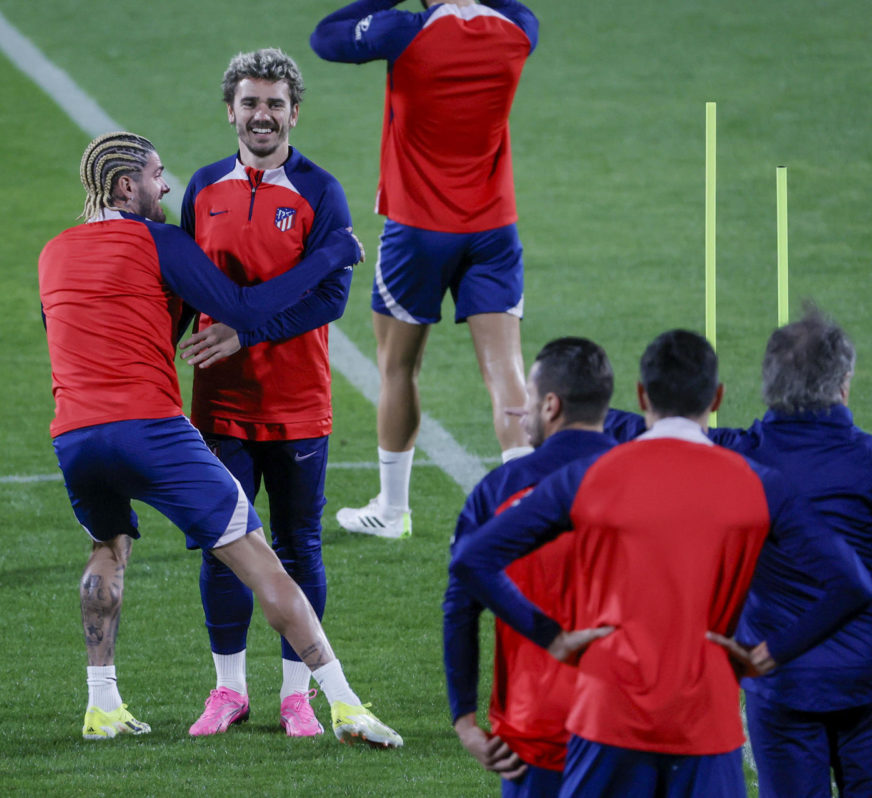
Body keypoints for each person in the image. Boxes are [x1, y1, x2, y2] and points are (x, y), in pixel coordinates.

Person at [39, 131, 401, 748]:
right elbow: (240, 305)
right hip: (153, 431)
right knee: (264, 561)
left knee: (107, 549)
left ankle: (102, 706)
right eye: (157, 176)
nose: (167, 187)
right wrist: (329, 255)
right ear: (128, 186)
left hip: (75, 437)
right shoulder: (160, 240)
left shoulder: (53, 253)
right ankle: (344, 704)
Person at [451, 329, 872, 798]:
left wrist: (552, 636)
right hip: (707, 715)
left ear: (641, 394)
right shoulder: (759, 482)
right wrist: (766, 654)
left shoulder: (594, 474)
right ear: (716, 397)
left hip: (609, 707)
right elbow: (853, 583)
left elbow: (473, 559)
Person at [311, 0, 540, 538]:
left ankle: (392, 510)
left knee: (398, 368)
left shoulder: (402, 31)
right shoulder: (518, 31)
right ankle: (528, 504)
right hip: (493, 229)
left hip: (416, 230)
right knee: (505, 369)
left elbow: (326, 37)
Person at [176, 49, 353, 739]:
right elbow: (184, 293)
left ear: (294, 112)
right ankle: (228, 690)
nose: (262, 115)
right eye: (250, 102)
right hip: (219, 404)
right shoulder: (202, 188)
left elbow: (331, 297)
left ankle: (295, 694)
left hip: (298, 401)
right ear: (231, 110)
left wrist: (245, 335)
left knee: (299, 544)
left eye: (275, 103)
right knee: (225, 543)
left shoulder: (321, 191)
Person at [705, 309, 872, 797]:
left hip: (781, 684)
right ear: (843, 384)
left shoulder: (738, 457)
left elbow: (646, 435)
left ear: (770, 385)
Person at [444, 337, 618, 797]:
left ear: (552, 405)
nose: (521, 413)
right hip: (632, 723)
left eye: (530, 401)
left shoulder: (499, 489)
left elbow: (460, 606)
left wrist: (464, 719)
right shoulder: (645, 480)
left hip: (536, 729)